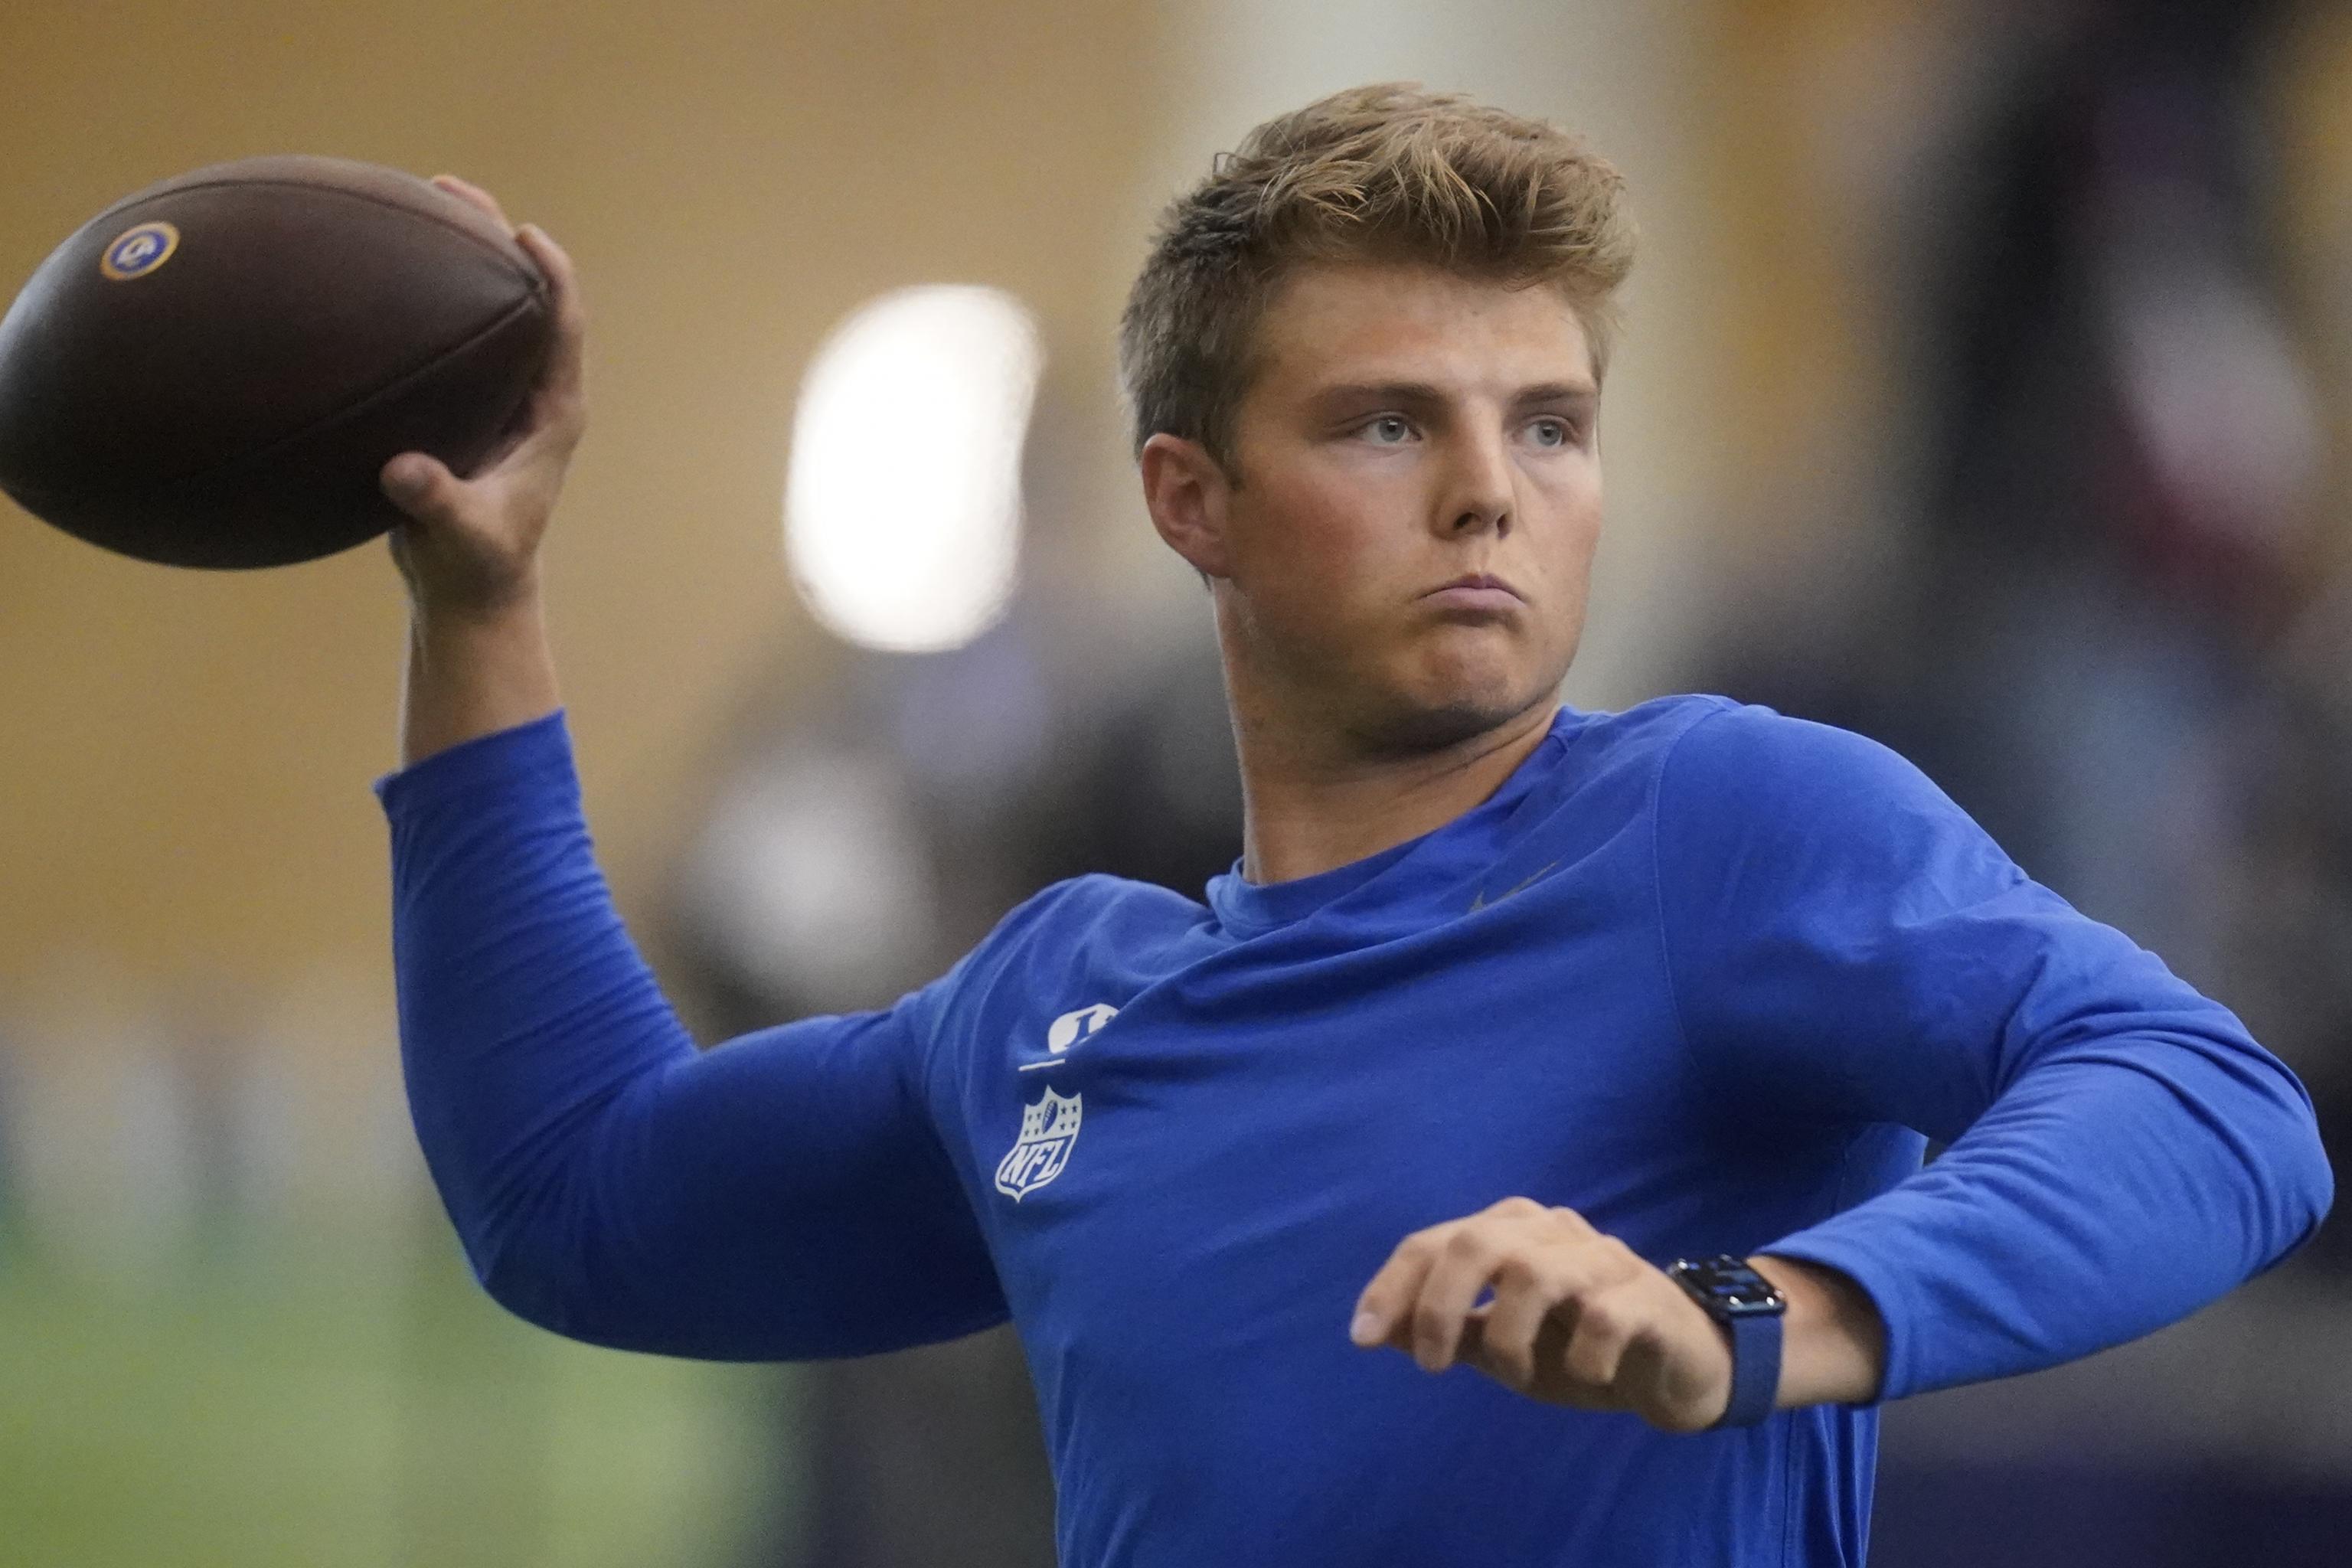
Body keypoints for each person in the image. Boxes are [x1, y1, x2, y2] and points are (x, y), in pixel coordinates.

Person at [370, 85, 2333, 1566]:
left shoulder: (1722, 824)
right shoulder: (1056, 1009)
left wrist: (1752, 1316)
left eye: (1548, 424)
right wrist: (480, 605)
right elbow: (578, 1198)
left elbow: (2214, 1106)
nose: (1490, 491)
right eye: (1390, 423)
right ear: (1187, 498)